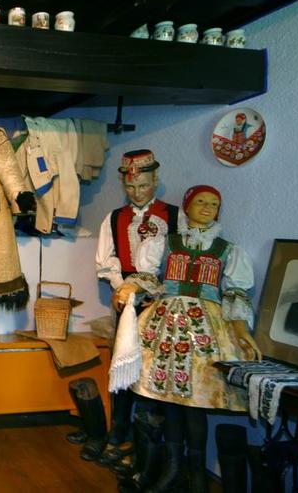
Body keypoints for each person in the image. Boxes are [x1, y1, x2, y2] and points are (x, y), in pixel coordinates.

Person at [116, 185, 261, 492]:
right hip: (164, 327)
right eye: (201, 202)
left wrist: (241, 331)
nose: (208, 208)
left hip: (204, 330)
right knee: (170, 401)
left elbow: (235, 292)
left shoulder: (227, 249)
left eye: (214, 204)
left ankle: (196, 474)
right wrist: (130, 288)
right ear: (187, 206)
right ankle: (173, 468)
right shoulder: (165, 242)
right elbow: (148, 278)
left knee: (195, 401)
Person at [93, 150, 182, 474]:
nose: (137, 192)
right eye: (131, 187)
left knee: (152, 368)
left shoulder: (175, 216)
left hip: (161, 301)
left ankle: (147, 444)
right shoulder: (115, 217)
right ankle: (118, 431)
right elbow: (106, 259)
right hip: (126, 300)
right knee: (122, 362)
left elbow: (179, 260)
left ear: (155, 180)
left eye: (143, 185)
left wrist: (149, 289)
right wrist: (122, 287)